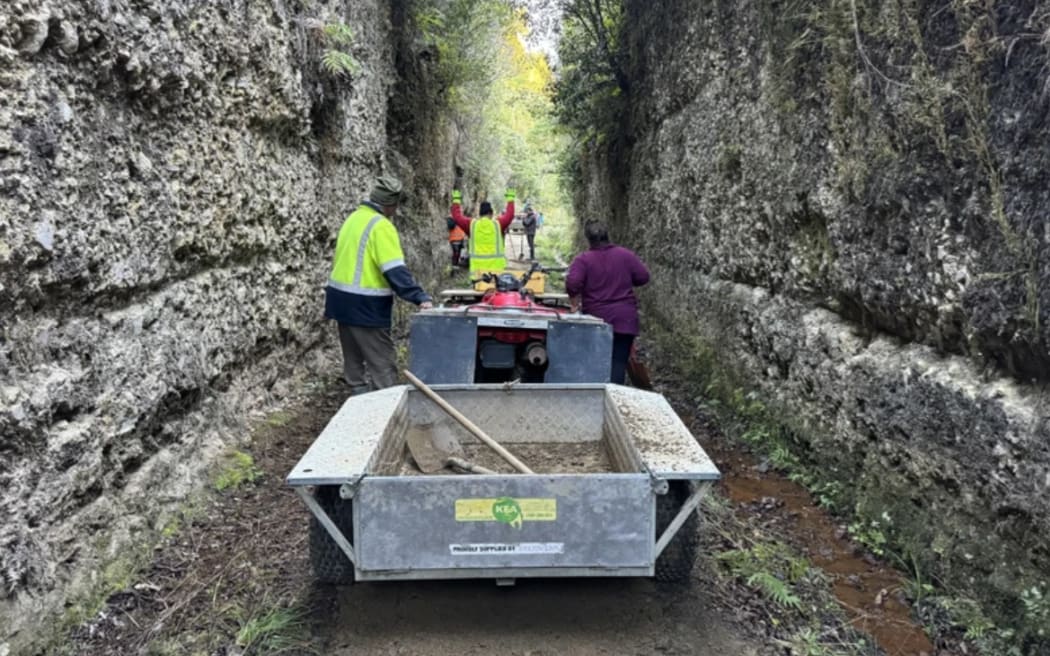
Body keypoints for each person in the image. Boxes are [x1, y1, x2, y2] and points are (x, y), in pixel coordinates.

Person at [325, 175, 433, 395]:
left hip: (339, 300)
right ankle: (385, 410)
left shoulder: (353, 218)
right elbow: (394, 270)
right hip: (366, 305)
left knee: (353, 362)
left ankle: (357, 406)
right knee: (382, 364)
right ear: (390, 205)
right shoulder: (381, 226)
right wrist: (420, 297)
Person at [565, 220, 650, 385]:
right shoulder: (626, 255)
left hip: (596, 320)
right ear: (607, 236)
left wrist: (574, 299)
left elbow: (573, 283)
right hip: (625, 320)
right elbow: (643, 277)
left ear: (588, 239)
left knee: (594, 361)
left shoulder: (583, 260)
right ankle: (613, 399)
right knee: (618, 363)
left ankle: (594, 397)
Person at [450, 188, 515, 274]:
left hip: (478, 273)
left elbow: (457, 217)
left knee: (479, 287)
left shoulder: (472, 225)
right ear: (491, 213)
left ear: (479, 214)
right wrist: (510, 199)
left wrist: (456, 201)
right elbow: (509, 215)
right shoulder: (498, 224)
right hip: (495, 272)